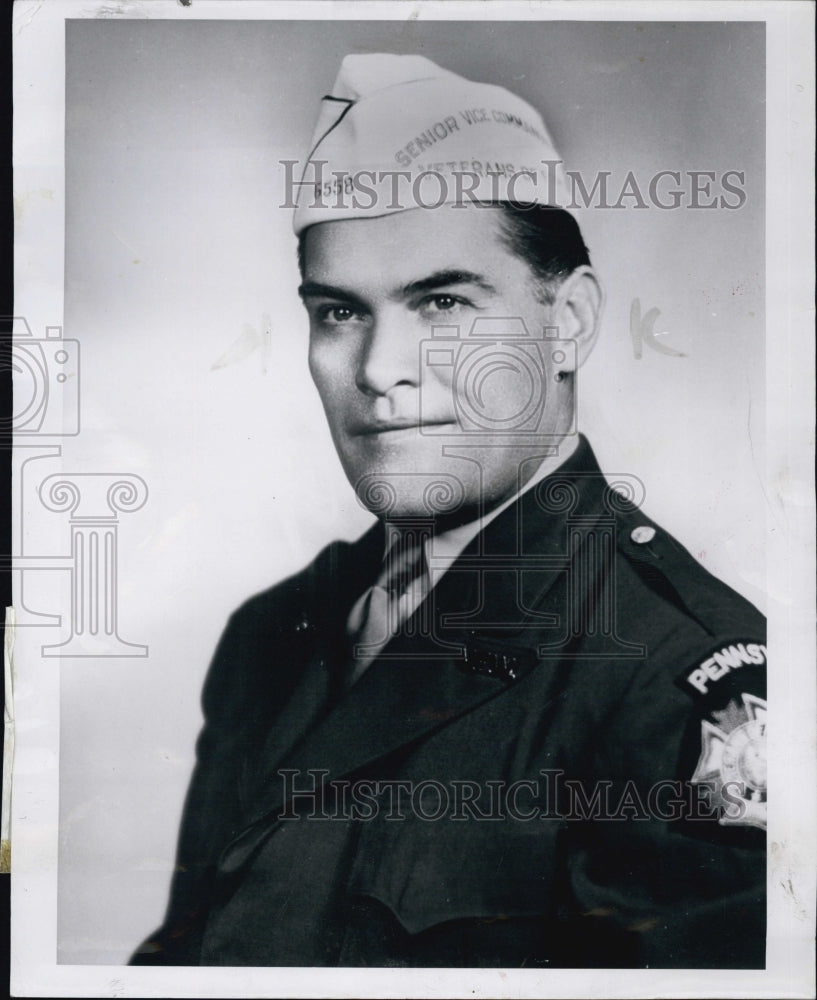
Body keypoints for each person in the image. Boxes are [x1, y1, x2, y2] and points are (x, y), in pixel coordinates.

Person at [132, 54, 766, 969]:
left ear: (569, 321)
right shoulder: (269, 635)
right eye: (339, 311)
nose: (382, 368)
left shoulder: (671, 677)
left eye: (442, 301)